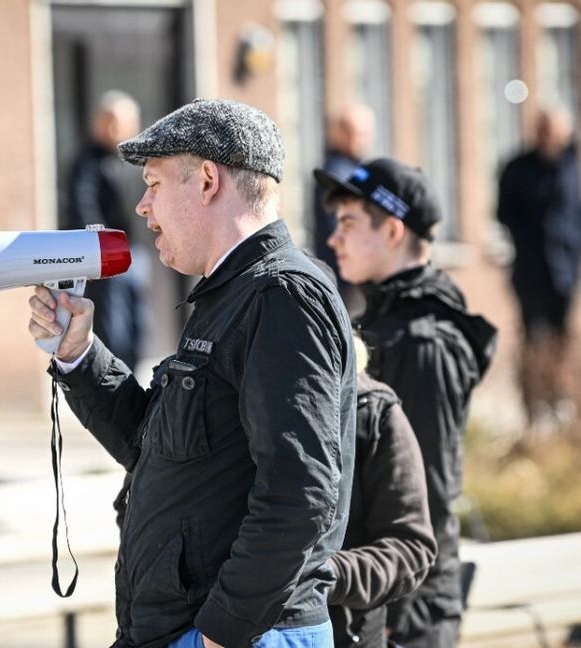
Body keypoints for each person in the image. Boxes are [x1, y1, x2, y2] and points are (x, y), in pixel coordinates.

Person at [29, 98, 357, 648]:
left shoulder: (281, 296)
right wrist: (79, 356)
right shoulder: (233, 296)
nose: (141, 207)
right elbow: (153, 444)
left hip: (241, 634)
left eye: (154, 184)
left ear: (207, 181)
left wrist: (223, 632)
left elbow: (300, 491)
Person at [316, 158, 497, 648]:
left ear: (393, 231)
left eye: (349, 224)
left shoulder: (422, 344)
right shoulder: (384, 320)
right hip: (378, 594)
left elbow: (426, 493)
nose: (334, 239)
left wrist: (400, 614)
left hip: (406, 608)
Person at [328, 336, 437, 647]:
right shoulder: (230, 396)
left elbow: (411, 546)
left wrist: (321, 576)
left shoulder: (372, 410)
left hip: (348, 632)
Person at [496, 107, 581, 427]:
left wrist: (576, 259)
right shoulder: (517, 168)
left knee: (562, 338)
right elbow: (504, 213)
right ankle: (534, 408)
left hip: (565, 272)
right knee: (533, 338)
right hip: (531, 271)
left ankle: (558, 400)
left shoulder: (572, 167)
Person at [62, 90, 148, 371]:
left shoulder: (138, 161)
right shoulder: (88, 162)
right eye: (109, 121)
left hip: (138, 252)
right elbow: (83, 207)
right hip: (107, 254)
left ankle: (135, 373)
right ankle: (117, 374)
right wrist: (100, 246)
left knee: (138, 321)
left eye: (122, 122)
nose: (115, 129)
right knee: (114, 322)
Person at [313, 105, 376, 316]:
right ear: (339, 133)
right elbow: (341, 227)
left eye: (365, 134)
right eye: (354, 133)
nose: (360, 140)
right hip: (344, 277)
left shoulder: (356, 170)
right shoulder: (337, 174)